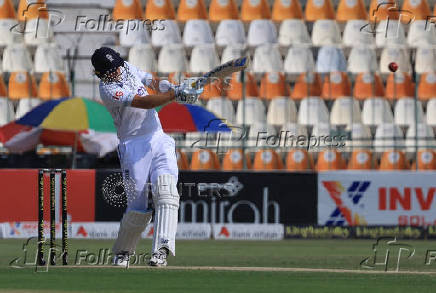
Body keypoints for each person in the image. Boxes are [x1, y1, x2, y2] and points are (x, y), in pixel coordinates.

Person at [91, 47, 202, 267]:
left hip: (158, 137)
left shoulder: (125, 67)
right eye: (111, 69)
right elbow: (146, 102)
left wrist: (169, 86)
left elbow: (151, 80)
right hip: (133, 146)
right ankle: (123, 252)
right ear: (101, 73)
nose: (117, 71)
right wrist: (175, 94)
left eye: (117, 65)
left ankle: (161, 250)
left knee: (167, 192)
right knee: (138, 207)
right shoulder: (108, 89)